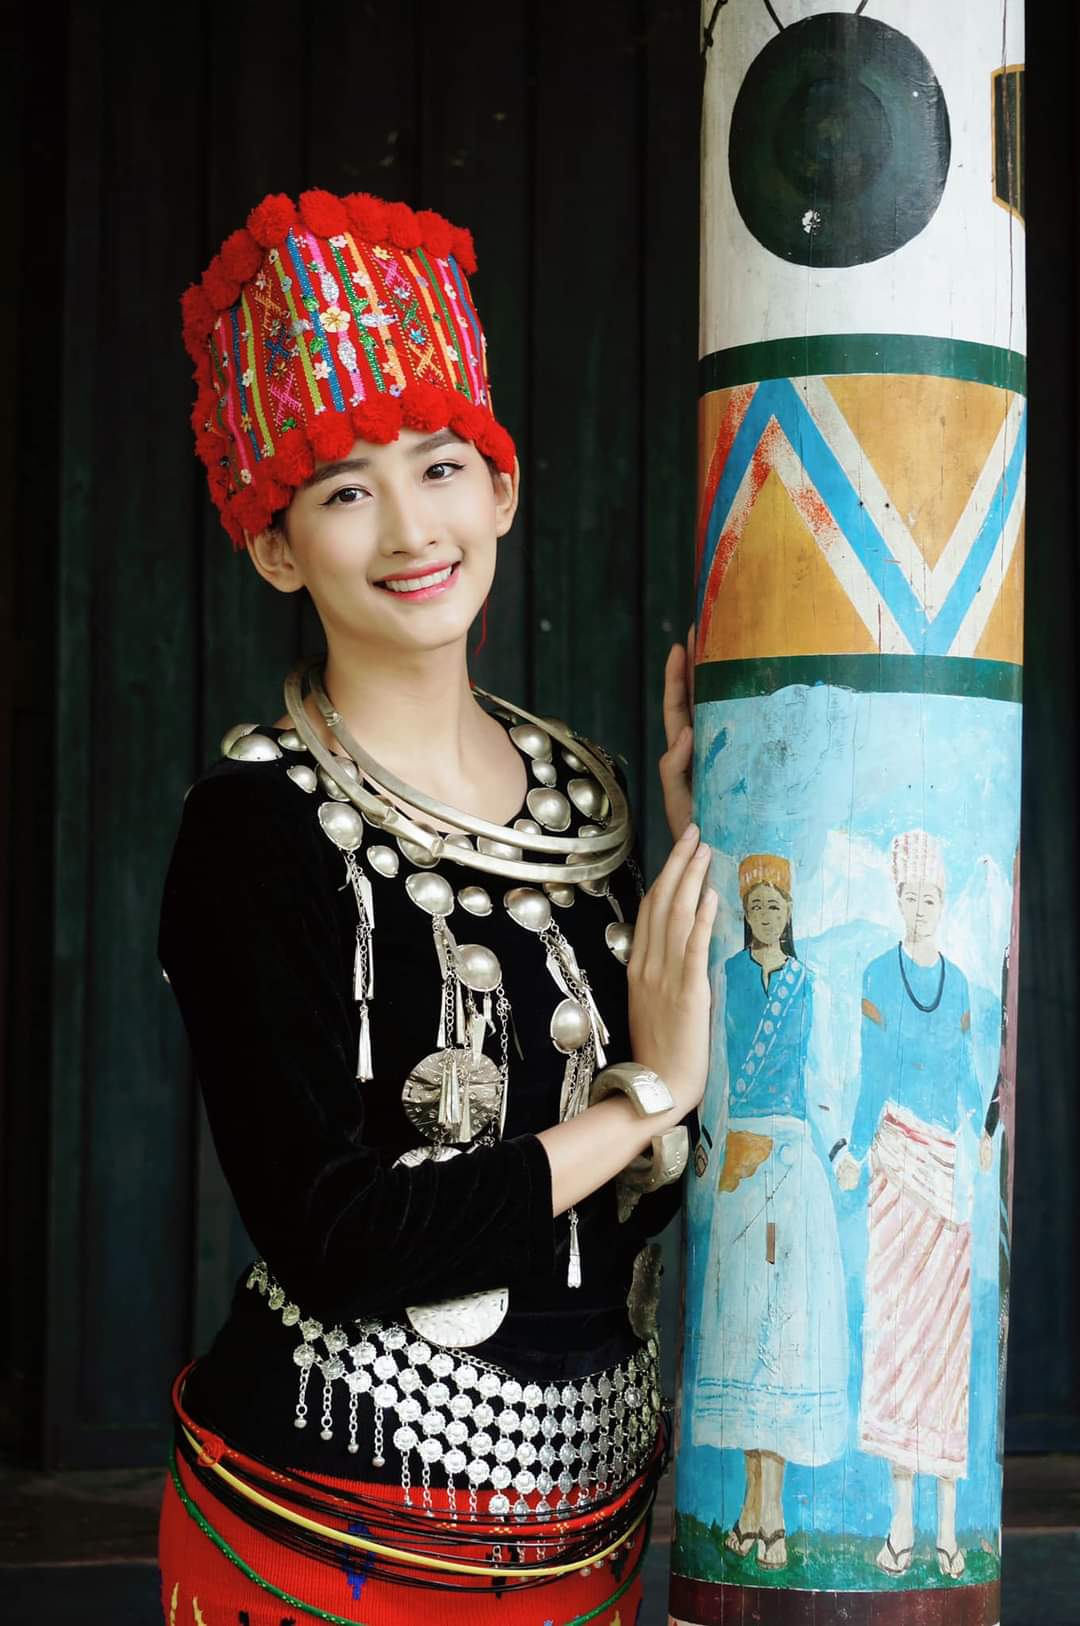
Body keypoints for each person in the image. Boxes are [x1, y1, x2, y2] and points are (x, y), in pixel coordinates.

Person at [157, 186, 716, 1625]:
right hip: (324, 1538)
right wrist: (642, 1099)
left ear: (502, 490)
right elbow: (341, 1237)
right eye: (346, 490)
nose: (412, 527)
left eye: (441, 466)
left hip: (591, 1532)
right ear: (277, 545)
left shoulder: (586, 804)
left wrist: (715, 835)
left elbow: (648, 1200)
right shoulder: (252, 831)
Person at [689, 856, 848, 1572]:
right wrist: (706, 1139)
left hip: (792, 1162)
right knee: (743, 1328)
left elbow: (821, 1078)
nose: (764, 916)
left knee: (783, 1334)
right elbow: (717, 1071)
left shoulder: (810, 987)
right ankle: (751, 1508)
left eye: (774, 906)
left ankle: (773, 1514)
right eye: (754, 906)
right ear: (745, 913)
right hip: (738, 1163)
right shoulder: (726, 977)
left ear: (789, 913)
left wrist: (838, 1148)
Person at [836, 829, 985, 1581]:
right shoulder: (875, 973)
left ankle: (949, 1531)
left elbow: (966, 1075)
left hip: (948, 1168)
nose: (922, 908)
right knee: (897, 1342)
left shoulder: (960, 985)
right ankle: (900, 1527)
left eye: (932, 898)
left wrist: (982, 1126)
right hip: (895, 1164)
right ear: (897, 899)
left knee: (946, 1348)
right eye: (911, 896)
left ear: (943, 902)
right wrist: (856, 1149)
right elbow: (873, 1072)